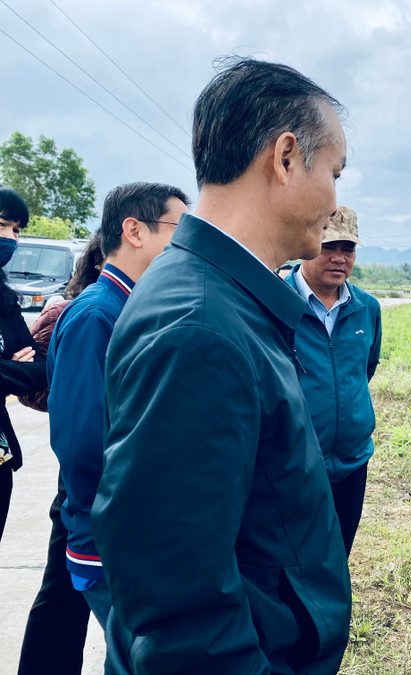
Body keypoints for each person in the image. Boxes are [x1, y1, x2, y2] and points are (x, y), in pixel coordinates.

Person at [92, 58, 352, 674]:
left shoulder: (226, 299)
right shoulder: (200, 328)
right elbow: (180, 608)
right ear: (286, 158)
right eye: (336, 173)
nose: (336, 200)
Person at [46, 183, 189, 628]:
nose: (186, 245)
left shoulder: (130, 308)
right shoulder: (96, 316)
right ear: (134, 231)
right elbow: (83, 446)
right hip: (112, 543)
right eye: (178, 230)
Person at [18, 231, 104, 675]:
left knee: (62, 594)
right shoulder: (90, 312)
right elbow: (80, 423)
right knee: (64, 595)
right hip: (89, 478)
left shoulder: (104, 306)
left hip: (84, 478)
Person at [284, 205, 381, 556]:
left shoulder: (367, 308)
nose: (339, 258)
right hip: (294, 464)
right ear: (308, 243)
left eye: (348, 248)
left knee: (340, 556)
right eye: (329, 246)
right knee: (294, 560)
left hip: (352, 461)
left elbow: (364, 368)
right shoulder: (277, 302)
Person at [0, 186, 47, 543]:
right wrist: (13, 370)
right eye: (3, 224)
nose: (10, 238)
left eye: (16, 230)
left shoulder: (3, 296)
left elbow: (41, 368)